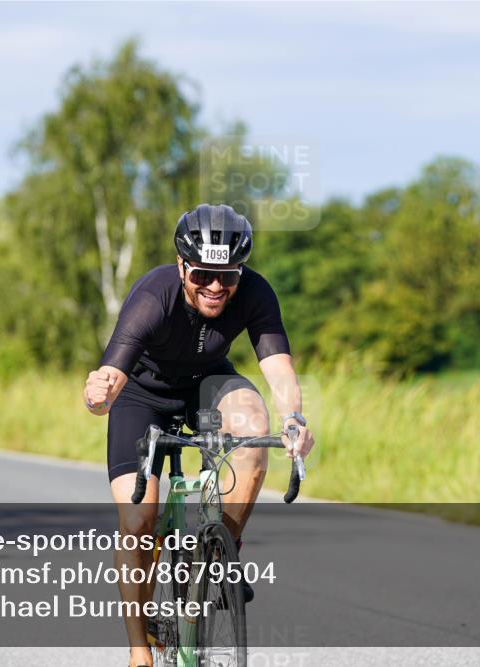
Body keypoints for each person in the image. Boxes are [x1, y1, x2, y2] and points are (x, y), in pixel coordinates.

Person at [83, 203, 315, 667]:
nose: (215, 287)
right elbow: (112, 372)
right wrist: (99, 392)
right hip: (142, 395)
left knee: (254, 422)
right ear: (182, 266)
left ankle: (218, 557)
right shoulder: (153, 296)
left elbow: (278, 368)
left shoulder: (254, 292)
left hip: (206, 384)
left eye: (227, 276)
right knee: (138, 522)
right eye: (203, 275)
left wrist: (294, 418)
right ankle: (139, 650)